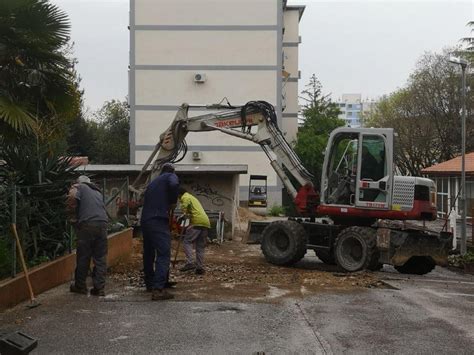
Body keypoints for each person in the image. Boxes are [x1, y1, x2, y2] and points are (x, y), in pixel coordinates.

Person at [141, 163, 179, 301]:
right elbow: (174, 184)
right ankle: (158, 289)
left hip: (146, 220)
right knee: (164, 253)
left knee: (149, 253)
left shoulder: (153, 182)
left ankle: (150, 283)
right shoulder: (171, 176)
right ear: (172, 171)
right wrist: (173, 202)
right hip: (158, 219)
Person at [66, 175, 108, 296]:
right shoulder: (97, 191)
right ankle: (99, 288)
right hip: (103, 225)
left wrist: (73, 218)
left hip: (87, 224)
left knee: (83, 256)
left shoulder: (79, 187)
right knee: (100, 258)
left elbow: (72, 197)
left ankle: (80, 286)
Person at [178, 187, 211, 275]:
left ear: (179, 194)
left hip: (197, 222)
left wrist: (183, 213)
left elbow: (185, 205)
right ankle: (200, 268)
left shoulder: (185, 197)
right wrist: (187, 216)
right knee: (200, 247)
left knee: (187, 241)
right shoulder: (193, 198)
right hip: (206, 223)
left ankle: (190, 262)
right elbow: (193, 211)